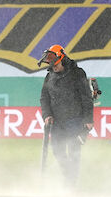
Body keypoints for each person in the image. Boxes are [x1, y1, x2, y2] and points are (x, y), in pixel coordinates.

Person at [39, 44, 94, 188]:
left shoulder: (77, 73)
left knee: (74, 152)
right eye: (50, 64)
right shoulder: (49, 75)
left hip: (75, 120)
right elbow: (44, 98)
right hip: (57, 121)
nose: (53, 67)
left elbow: (86, 96)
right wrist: (47, 115)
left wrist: (88, 119)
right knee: (57, 150)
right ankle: (68, 176)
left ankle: (71, 185)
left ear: (62, 58)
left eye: (55, 63)